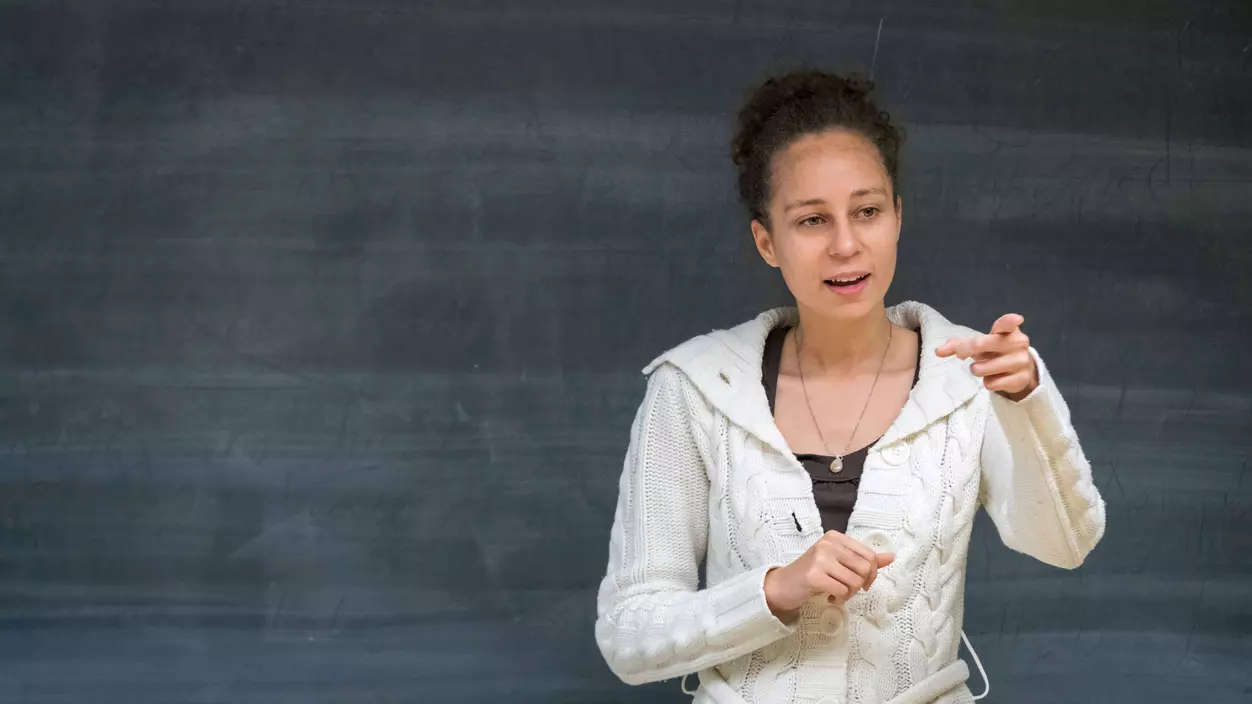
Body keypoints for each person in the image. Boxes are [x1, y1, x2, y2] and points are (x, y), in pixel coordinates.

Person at [593, 69, 1107, 704]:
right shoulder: (695, 387)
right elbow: (629, 634)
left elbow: (1064, 544)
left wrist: (1028, 403)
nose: (845, 245)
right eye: (811, 221)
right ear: (766, 242)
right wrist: (775, 588)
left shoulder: (972, 374)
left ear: (897, 216)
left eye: (867, 212)